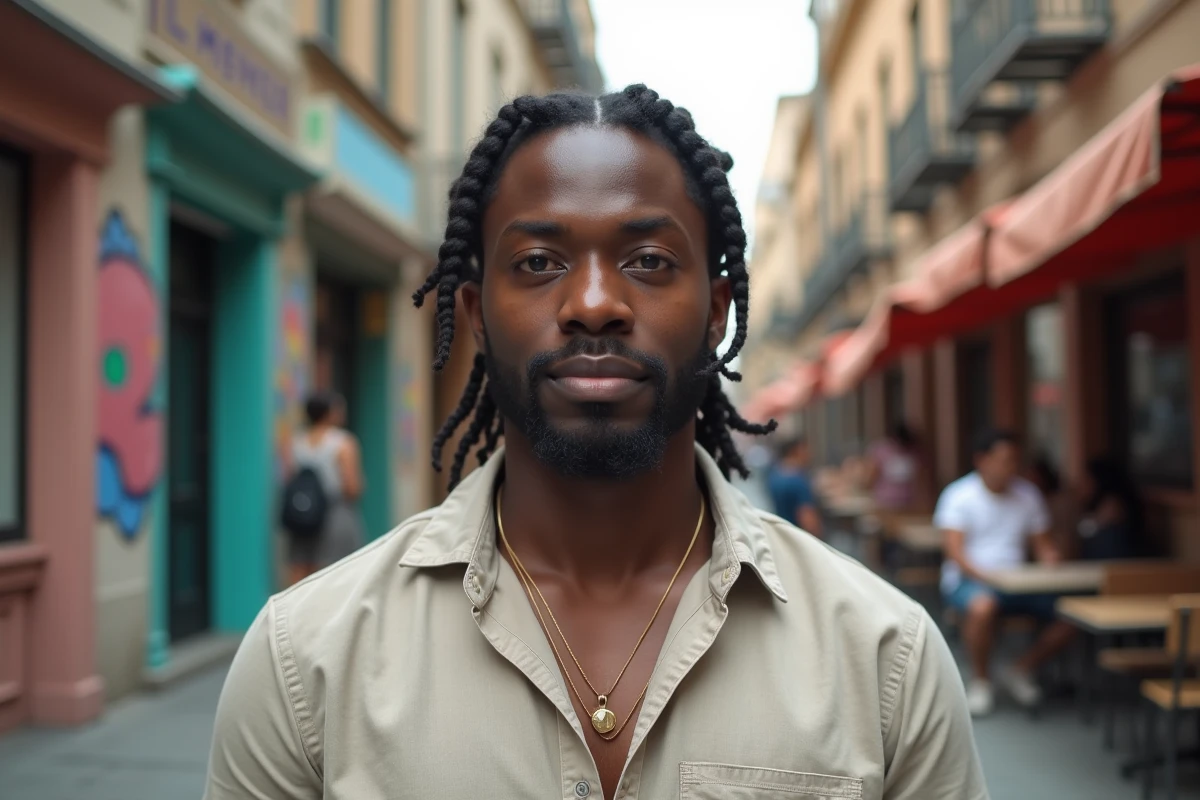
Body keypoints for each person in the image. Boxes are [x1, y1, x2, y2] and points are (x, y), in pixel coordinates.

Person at [206, 86, 985, 800]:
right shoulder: (302, 664)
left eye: (648, 261)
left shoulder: (887, 660)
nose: (594, 304)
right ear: (477, 313)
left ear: (717, 312)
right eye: (539, 262)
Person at [937, 428, 1076, 716]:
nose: (1010, 467)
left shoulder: (1028, 495)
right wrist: (987, 576)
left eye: (1014, 460)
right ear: (982, 460)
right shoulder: (959, 495)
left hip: (1020, 582)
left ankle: (1020, 668)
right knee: (982, 607)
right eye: (1003, 459)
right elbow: (955, 552)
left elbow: (1042, 544)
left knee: (1076, 613)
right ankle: (981, 681)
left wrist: (1050, 557)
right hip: (970, 580)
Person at [283, 392, 365, 585]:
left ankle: (299, 614)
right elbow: (352, 487)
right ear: (330, 413)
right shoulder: (344, 443)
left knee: (300, 568)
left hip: (302, 515)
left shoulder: (294, 442)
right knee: (336, 571)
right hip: (334, 513)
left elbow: (289, 477)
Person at [1077, 457, 1143, 561]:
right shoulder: (1098, 502)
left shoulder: (1113, 503)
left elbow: (1086, 529)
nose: (1082, 484)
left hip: (1120, 565)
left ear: (1098, 480)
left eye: (1087, 479)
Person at [766, 436, 822, 536]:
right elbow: (808, 521)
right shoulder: (798, 481)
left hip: (784, 533)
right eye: (806, 450)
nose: (810, 455)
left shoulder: (775, 474)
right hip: (800, 536)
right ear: (796, 451)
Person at [866, 423, 919, 512]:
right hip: (886, 501)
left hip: (909, 501)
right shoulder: (882, 450)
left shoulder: (915, 451)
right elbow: (872, 474)